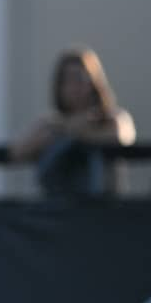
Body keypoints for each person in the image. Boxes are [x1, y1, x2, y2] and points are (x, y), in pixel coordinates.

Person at [10, 47, 136, 198]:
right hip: (60, 212)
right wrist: (62, 131)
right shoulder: (51, 124)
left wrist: (82, 132)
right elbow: (17, 152)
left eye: (80, 79)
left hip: (104, 211)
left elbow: (123, 136)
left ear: (93, 83)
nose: (74, 87)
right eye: (67, 80)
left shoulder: (111, 118)